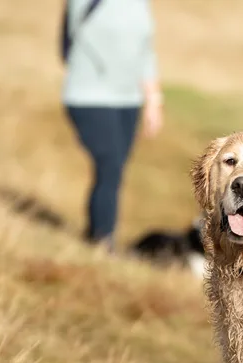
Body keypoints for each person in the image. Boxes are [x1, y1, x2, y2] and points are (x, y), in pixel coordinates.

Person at [60, 0, 163, 254]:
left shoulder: (140, 4)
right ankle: (103, 243)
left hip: (128, 101)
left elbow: (145, 51)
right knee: (110, 165)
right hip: (88, 97)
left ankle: (99, 235)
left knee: (114, 172)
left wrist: (153, 101)